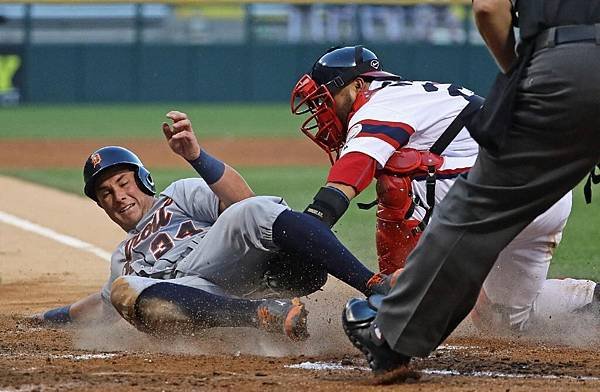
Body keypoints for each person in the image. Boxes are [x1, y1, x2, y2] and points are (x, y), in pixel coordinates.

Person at [291, 39, 600, 375]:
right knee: (505, 319)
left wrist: (308, 231)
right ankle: (593, 299)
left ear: (357, 85)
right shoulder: (414, 95)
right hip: (546, 194)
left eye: (325, 98)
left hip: (501, 194)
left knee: (395, 179)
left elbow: (345, 183)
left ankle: (394, 309)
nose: (321, 112)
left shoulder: (381, 104)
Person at [33, 111, 392, 341]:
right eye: (106, 193)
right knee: (124, 289)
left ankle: (373, 284)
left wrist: (196, 157)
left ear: (143, 180)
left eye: (123, 182)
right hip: (192, 293)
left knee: (251, 210)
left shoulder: (177, 195)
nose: (118, 196)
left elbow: (243, 200)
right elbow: (98, 307)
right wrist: (47, 317)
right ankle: (264, 315)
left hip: (220, 258)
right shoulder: (121, 258)